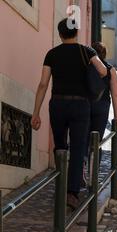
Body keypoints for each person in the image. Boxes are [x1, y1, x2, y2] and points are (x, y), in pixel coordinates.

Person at [31, 18, 107, 209]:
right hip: (81, 106)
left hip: (57, 104)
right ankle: (71, 193)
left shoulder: (52, 54)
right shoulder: (87, 51)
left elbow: (43, 84)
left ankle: (61, 182)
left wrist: (36, 112)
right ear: (76, 32)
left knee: (60, 146)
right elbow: (103, 70)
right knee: (78, 147)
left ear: (60, 34)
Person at [86, 42, 117, 166]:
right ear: (105, 54)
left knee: (84, 139)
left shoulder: (86, 66)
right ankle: (93, 174)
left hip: (85, 106)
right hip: (102, 107)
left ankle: (82, 169)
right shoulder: (110, 69)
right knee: (97, 141)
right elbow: (115, 95)